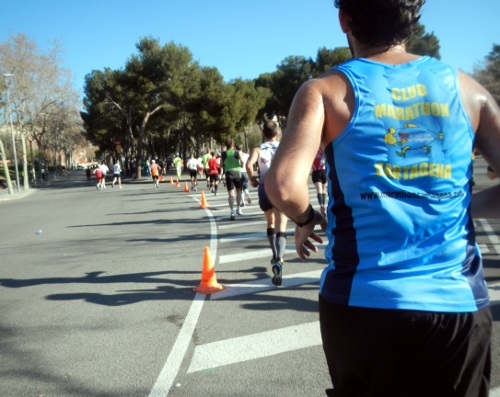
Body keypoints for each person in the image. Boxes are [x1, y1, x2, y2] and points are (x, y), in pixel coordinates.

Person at [264, 0, 500, 395]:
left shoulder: (325, 91)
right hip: (455, 302)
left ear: (344, 20)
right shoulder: (467, 90)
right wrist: (458, 205)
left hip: (361, 304)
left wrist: (305, 220)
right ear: (412, 20)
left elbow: (283, 187)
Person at [246, 121, 288, 286]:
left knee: (270, 223)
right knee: (282, 226)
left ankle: (274, 255)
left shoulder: (258, 149)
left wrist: (252, 179)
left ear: (263, 134)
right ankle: (280, 259)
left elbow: (249, 165)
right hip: (280, 188)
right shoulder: (284, 147)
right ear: (277, 134)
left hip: (264, 187)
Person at [221, 138, 243, 220]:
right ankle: (238, 207)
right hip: (237, 174)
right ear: (232, 145)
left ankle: (232, 211)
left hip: (228, 174)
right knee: (239, 191)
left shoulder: (223, 154)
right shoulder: (237, 152)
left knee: (230, 194)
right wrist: (241, 165)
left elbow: (221, 165)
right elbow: (243, 161)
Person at [311, 149, 327, 216]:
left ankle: (321, 204)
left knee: (319, 190)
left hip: (315, 172)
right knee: (324, 190)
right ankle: (324, 207)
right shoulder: (323, 151)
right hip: (323, 171)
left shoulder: (311, 151)